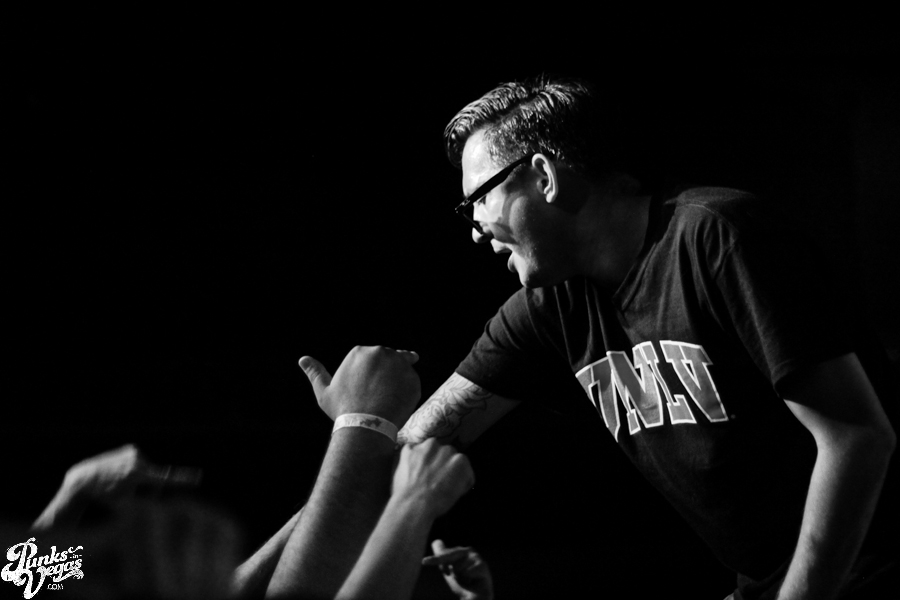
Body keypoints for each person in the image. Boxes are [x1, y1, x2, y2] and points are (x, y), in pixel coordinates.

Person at [301, 77, 897, 599]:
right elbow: (413, 445)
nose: (476, 230)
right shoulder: (550, 306)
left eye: (478, 198)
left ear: (544, 176)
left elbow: (857, 437)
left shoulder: (716, 237)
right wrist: (359, 426)